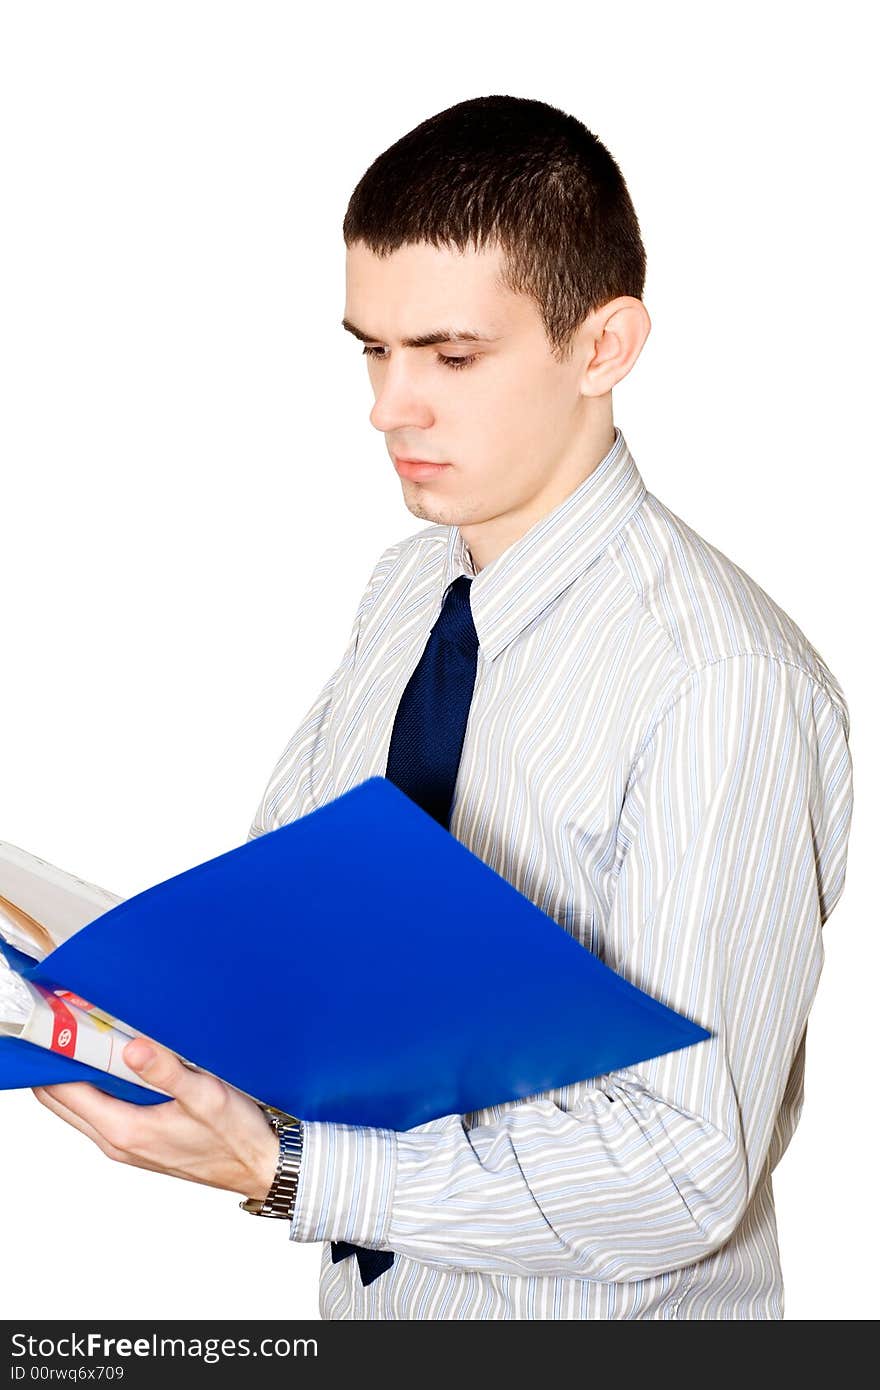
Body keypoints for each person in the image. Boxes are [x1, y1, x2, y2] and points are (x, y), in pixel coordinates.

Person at [33, 94, 854, 1321]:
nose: (387, 407)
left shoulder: (717, 685)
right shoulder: (412, 584)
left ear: (604, 345)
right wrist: (113, 997)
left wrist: (286, 1170)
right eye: (372, 347)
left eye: (451, 356)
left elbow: (684, 1174)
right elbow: (296, 903)